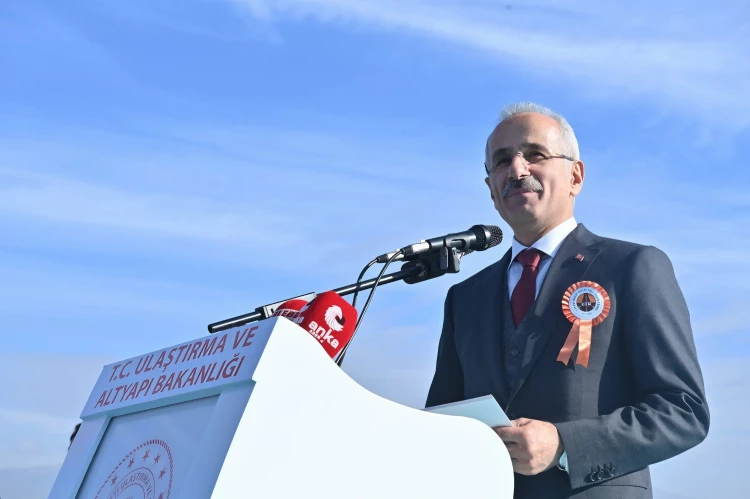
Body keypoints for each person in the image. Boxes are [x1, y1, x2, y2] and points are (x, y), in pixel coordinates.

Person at [425, 102, 709, 499]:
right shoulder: (464, 298)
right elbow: (442, 422)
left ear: (575, 176)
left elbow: (683, 411)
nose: (517, 170)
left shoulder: (631, 267)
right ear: (490, 189)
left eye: (535, 154)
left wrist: (564, 445)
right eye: (502, 161)